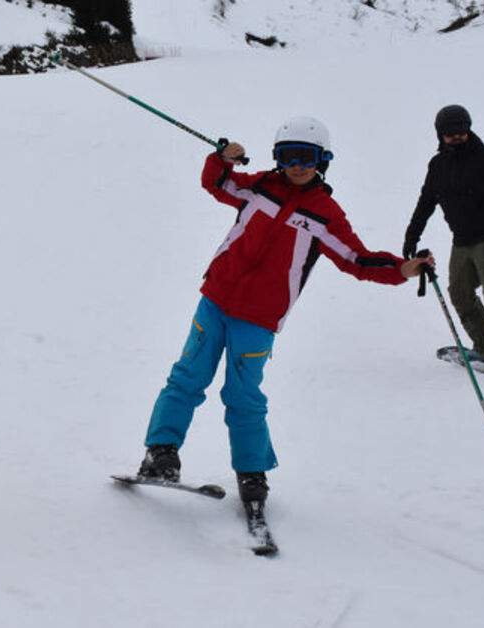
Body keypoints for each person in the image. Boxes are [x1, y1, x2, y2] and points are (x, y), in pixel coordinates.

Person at [136, 116, 433, 519]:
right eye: (287, 156)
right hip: (216, 299)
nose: (296, 165)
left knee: (244, 396)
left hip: (258, 319)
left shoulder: (325, 214)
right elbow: (217, 183)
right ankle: (161, 453)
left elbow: (356, 260)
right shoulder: (259, 186)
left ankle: (252, 474)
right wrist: (222, 159)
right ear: (277, 158)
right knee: (187, 376)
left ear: (322, 160)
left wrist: (401, 269)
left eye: (306, 157)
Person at [402, 104, 484, 380]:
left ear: (469, 129)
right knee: (460, 294)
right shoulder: (438, 165)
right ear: (440, 135)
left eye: (461, 131)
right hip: (461, 240)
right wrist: (411, 235)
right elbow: (427, 200)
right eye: (450, 134)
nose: (457, 137)